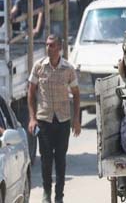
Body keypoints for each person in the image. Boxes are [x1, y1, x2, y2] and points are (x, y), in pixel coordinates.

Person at [28, 35, 81, 203]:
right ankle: (46, 193)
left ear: (59, 48)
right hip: (44, 120)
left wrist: (76, 119)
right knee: (45, 159)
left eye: (51, 45)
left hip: (63, 120)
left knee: (60, 159)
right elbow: (31, 93)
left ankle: (59, 196)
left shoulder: (68, 69)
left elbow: (76, 94)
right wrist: (32, 118)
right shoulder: (39, 67)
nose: (48, 48)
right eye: (46, 45)